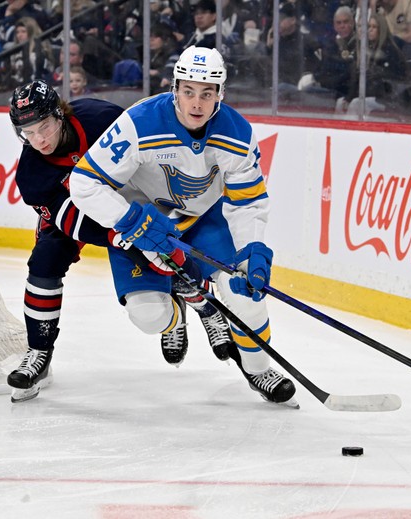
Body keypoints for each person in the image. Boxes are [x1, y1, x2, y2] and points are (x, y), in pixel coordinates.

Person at [69, 46, 299, 407]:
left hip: (205, 218)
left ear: (220, 94)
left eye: (207, 93)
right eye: (189, 91)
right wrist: (130, 220)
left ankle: (257, 369)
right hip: (145, 224)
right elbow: (84, 183)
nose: (197, 103)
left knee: (246, 296)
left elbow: (248, 202)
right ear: (174, 88)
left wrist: (252, 250)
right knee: (148, 316)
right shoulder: (138, 123)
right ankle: (180, 313)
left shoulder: (237, 133)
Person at [5, 79, 234, 401]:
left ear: (59, 115)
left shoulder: (102, 119)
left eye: (43, 126)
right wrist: (121, 233)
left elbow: (149, 157)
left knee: (164, 255)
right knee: (44, 262)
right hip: (84, 216)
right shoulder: (31, 173)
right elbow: (70, 220)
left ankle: (204, 306)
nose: (38, 139)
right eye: (27, 133)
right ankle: (38, 352)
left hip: (134, 198)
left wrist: (148, 214)